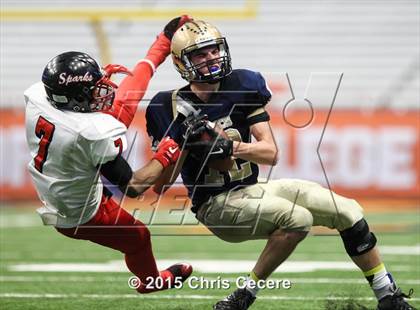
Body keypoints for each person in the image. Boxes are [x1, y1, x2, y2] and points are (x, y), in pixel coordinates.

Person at [145, 20, 415, 309]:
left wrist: (229, 145)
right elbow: (161, 183)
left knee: (347, 210)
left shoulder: (243, 84)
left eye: (214, 50)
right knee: (298, 220)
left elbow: (270, 153)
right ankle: (243, 296)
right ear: (181, 62)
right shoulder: (167, 106)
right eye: (200, 54)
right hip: (215, 203)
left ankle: (387, 295)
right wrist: (185, 143)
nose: (211, 58)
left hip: (252, 188)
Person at [24, 16, 194, 294]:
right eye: (93, 90)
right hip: (80, 213)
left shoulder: (40, 95)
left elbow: (73, 94)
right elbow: (135, 188)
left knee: (125, 100)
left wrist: (91, 79)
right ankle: (151, 282)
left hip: (66, 172)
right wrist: (169, 150)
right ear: (76, 100)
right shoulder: (90, 131)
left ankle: (161, 43)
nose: (102, 91)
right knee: (139, 237)